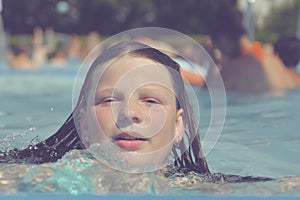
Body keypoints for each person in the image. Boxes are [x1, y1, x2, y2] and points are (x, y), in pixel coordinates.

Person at [207, 1, 296, 93]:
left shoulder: (233, 69)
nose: (221, 53)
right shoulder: (275, 62)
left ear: (223, 38)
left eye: (218, 47)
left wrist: (210, 61)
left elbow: (209, 94)